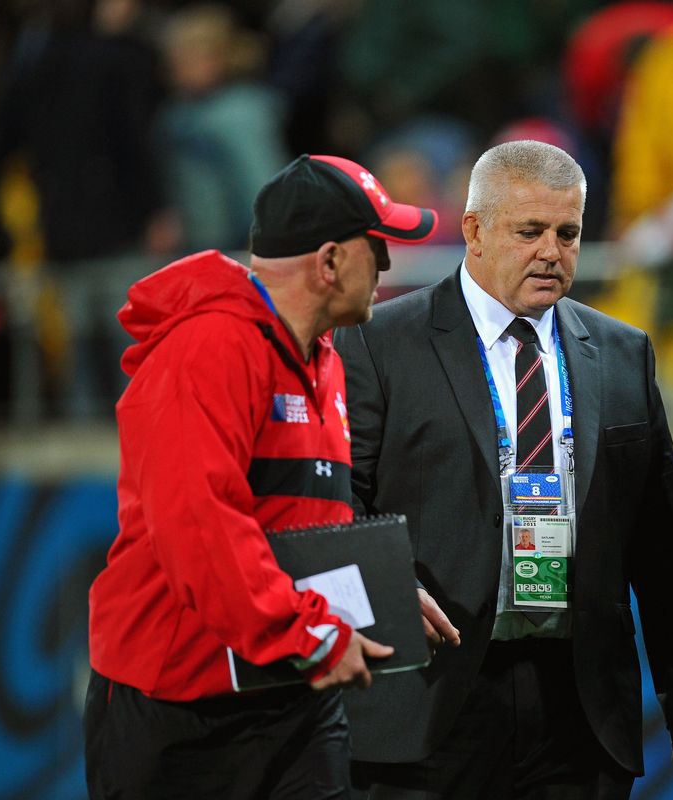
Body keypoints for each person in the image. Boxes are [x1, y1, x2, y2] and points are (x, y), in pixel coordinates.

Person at [333, 139, 673, 798]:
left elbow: (662, 544)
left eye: (568, 233)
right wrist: (386, 584)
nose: (552, 251)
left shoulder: (622, 352)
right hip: (431, 697)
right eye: (530, 231)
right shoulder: (379, 343)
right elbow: (336, 502)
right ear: (474, 231)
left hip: (579, 704)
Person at [83, 153, 439, 799]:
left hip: (290, 690)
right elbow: (199, 526)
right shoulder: (208, 348)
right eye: (377, 246)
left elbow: (302, 518)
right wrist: (306, 633)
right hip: (183, 708)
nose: (388, 264)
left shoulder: (323, 357)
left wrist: (380, 593)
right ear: (329, 261)